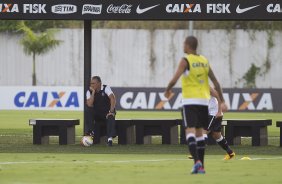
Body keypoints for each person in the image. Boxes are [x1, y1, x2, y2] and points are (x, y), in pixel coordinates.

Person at [164, 36, 227, 174]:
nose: (182, 46)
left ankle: (197, 162)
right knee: (200, 133)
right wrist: (222, 101)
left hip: (190, 102)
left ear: (187, 45)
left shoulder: (186, 60)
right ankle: (202, 167)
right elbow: (216, 82)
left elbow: (175, 78)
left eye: (183, 44)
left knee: (190, 132)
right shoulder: (204, 61)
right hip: (204, 103)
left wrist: (168, 89)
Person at [204, 87, 235, 160]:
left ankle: (196, 152)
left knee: (203, 131)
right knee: (216, 135)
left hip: (214, 114)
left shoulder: (207, 87)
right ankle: (230, 153)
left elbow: (218, 96)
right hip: (213, 113)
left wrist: (219, 111)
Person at [85, 76, 116, 146]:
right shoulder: (89, 91)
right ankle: (91, 132)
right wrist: (93, 92)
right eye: (91, 83)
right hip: (97, 114)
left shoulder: (106, 88)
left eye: (93, 83)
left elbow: (112, 98)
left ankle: (109, 140)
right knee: (88, 110)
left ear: (99, 83)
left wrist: (111, 111)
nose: (91, 85)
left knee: (111, 116)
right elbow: (89, 104)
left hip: (107, 113)